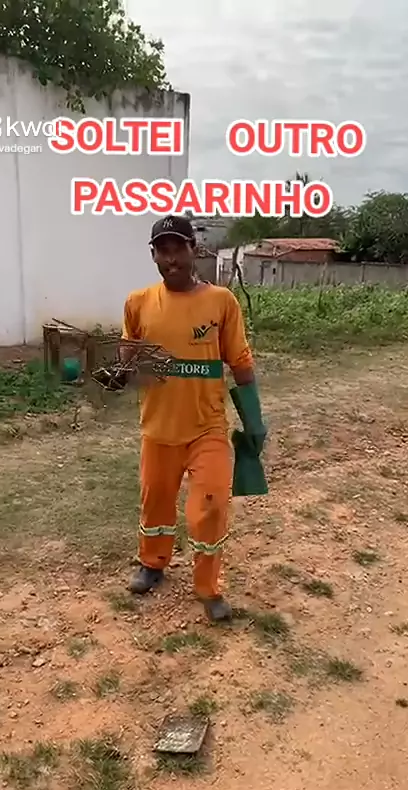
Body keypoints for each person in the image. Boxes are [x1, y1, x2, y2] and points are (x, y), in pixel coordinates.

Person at [121, 214, 266, 621]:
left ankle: (208, 588)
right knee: (155, 503)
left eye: (178, 249)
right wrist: (120, 369)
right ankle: (152, 564)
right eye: (162, 251)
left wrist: (254, 420)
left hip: (207, 428)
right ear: (153, 255)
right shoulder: (137, 303)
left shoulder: (221, 302)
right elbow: (128, 356)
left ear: (194, 249)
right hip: (158, 428)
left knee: (211, 507)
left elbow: (240, 362)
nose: (171, 259)